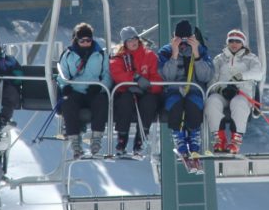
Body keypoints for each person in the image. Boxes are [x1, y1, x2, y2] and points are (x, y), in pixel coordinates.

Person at [158, 20, 213, 157]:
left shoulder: (200, 50)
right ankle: (178, 135)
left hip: (194, 89)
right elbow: (166, 77)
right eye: (179, 39)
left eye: (186, 39)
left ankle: (194, 135)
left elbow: (206, 76)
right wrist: (174, 55)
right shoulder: (166, 51)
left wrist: (196, 54)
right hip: (174, 90)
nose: (183, 44)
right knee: (174, 103)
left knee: (194, 103)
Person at [204, 29, 264, 154]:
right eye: (231, 41)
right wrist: (220, 88)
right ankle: (219, 139)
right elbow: (212, 79)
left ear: (243, 43)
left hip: (242, 94)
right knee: (212, 101)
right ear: (227, 43)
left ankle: (235, 140)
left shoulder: (250, 58)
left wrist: (241, 76)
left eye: (238, 41)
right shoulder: (220, 59)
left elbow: (258, 74)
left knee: (239, 104)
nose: (234, 44)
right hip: (223, 93)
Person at [57, 22, 111, 159]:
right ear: (76, 40)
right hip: (75, 90)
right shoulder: (68, 55)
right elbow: (62, 74)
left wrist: (101, 86)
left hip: (94, 90)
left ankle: (97, 137)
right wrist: (65, 87)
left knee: (101, 101)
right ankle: (75, 141)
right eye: (82, 40)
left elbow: (108, 74)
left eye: (89, 40)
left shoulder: (101, 54)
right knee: (68, 104)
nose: (86, 43)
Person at [108, 26, 162, 156]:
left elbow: (157, 78)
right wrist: (134, 79)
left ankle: (141, 138)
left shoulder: (149, 56)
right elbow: (117, 73)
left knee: (149, 102)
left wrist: (148, 86)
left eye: (135, 38)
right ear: (124, 43)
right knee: (125, 101)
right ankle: (122, 138)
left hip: (145, 92)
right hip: (127, 91)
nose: (133, 42)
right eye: (129, 40)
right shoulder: (120, 57)